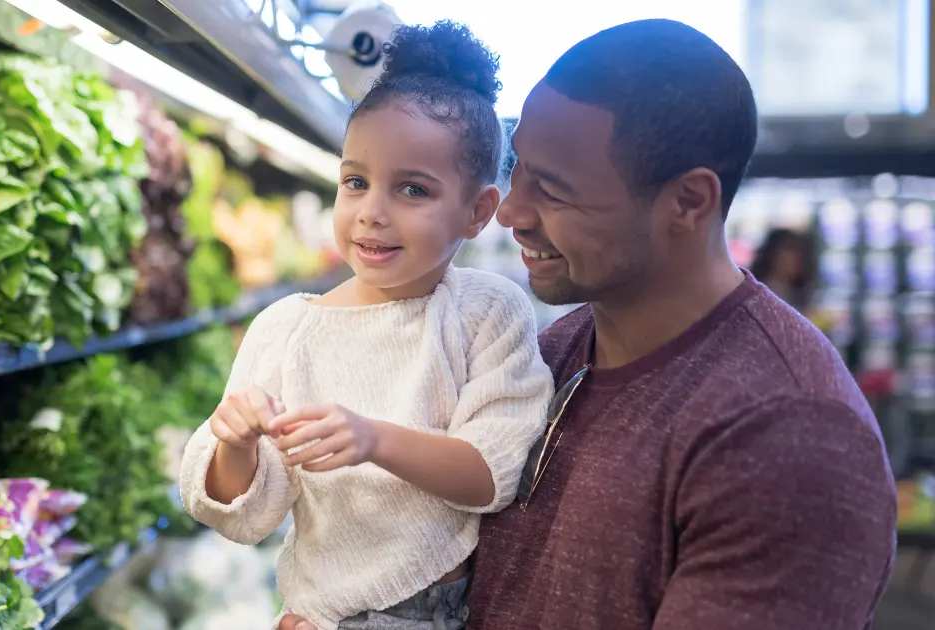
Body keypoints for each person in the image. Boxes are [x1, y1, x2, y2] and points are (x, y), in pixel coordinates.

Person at [281, 18, 897, 630]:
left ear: (687, 203)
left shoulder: (789, 437)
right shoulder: (548, 350)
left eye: (553, 189)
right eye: (517, 167)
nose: (511, 212)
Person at [178, 21, 554, 630]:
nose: (371, 213)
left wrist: (374, 439)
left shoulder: (486, 310)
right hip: (327, 615)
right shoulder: (286, 329)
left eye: (412, 189)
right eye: (355, 182)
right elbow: (242, 514)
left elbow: (494, 475)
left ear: (478, 212)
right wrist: (236, 443)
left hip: (448, 610)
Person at [748, 227, 819, 313]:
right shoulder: (753, 293)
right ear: (772, 252)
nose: (797, 257)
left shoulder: (805, 297)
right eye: (790, 249)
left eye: (801, 251)